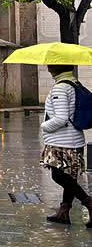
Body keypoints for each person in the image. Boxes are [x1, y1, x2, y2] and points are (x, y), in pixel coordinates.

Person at [40, 65, 91, 226]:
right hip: (73, 139)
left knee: (58, 175)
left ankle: (88, 202)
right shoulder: (74, 84)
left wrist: (44, 126)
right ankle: (64, 212)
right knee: (70, 176)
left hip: (61, 142)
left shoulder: (60, 89)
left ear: (54, 68)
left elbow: (61, 118)